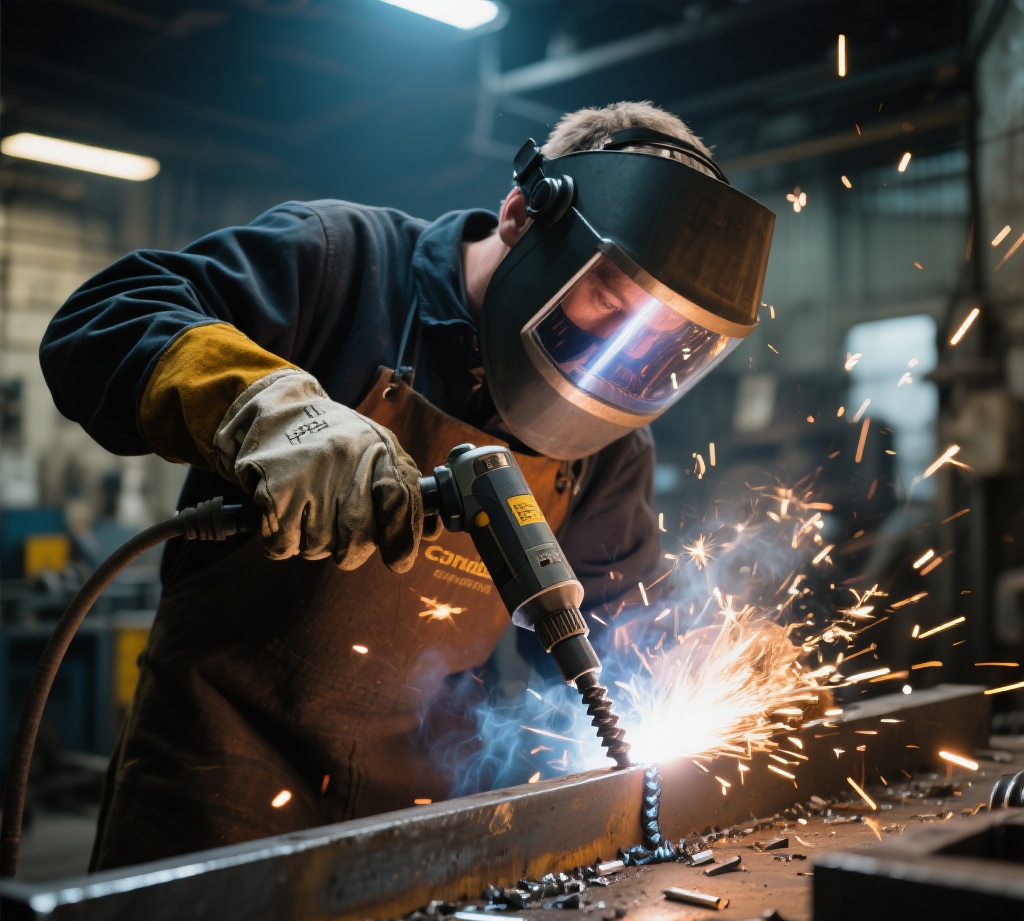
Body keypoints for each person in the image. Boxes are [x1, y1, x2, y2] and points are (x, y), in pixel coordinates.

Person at [39, 101, 774, 871]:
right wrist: (261, 407)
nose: (622, 353)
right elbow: (102, 317)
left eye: (661, 338)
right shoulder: (340, 262)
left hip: (424, 809)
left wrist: (704, 663)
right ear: (523, 215)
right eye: (611, 303)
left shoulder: (607, 441)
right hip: (217, 774)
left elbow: (622, 613)